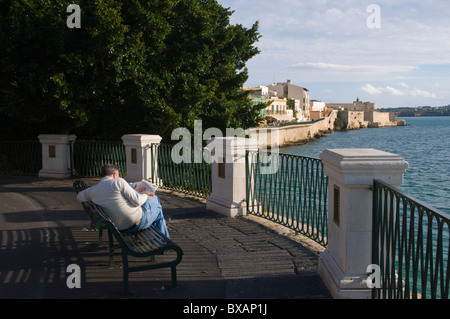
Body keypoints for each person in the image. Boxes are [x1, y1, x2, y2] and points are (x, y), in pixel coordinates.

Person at [76, 164, 170, 237]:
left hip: (116, 226)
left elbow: (79, 196)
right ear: (115, 174)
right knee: (156, 203)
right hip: (134, 223)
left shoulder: (93, 190)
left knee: (152, 205)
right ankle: (164, 241)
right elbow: (138, 201)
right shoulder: (118, 181)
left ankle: (162, 237)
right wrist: (145, 195)